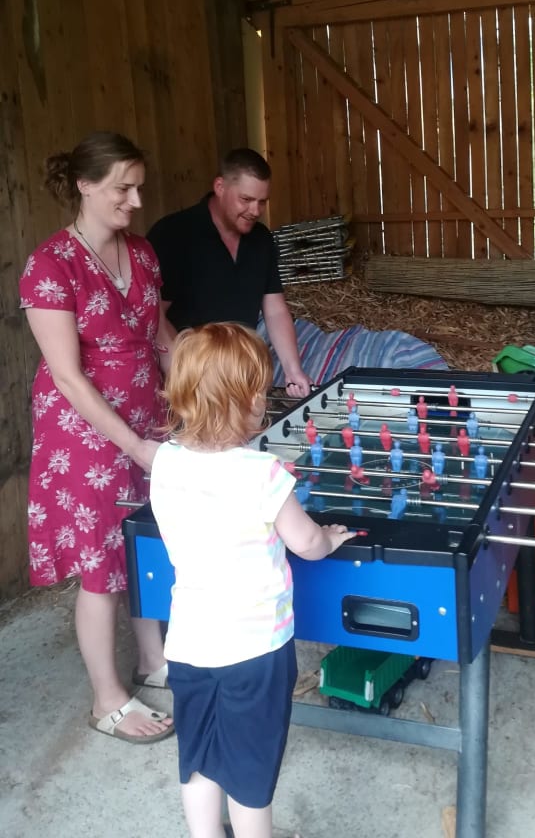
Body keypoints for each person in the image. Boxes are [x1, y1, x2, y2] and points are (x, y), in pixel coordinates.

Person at [149, 322, 357, 838]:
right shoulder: (263, 472)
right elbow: (305, 542)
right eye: (260, 392)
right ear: (248, 403)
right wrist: (330, 539)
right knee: (250, 769)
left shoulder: (164, 462)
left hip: (188, 645)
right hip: (255, 650)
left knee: (198, 752)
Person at [19, 131, 176, 743]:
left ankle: (153, 659)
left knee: (144, 540)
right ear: (84, 185)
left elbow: (161, 335)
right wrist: (134, 446)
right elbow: (68, 376)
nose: (135, 201)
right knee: (101, 560)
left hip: (146, 413)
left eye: (138, 188)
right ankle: (106, 699)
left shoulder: (143, 253)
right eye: (122, 188)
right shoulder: (50, 265)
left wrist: (196, 394)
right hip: (83, 429)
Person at [147, 149, 312, 397]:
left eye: (262, 201)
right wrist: (186, 375)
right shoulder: (174, 234)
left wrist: (293, 369)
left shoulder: (261, 239)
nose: (255, 210)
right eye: (246, 199)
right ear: (220, 187)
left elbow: (275, 310)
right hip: (188, 379)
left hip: (239, 374)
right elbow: (155, 315)